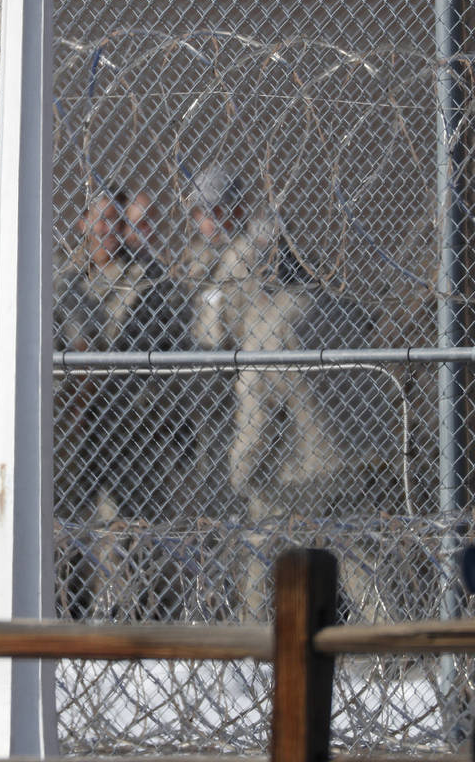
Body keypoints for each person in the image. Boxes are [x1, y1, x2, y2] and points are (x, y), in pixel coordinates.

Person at [178, 165, 392, 619]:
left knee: (263, 553)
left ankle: (254, 649)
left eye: (205, 212)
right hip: (350, 450)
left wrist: (243, 470)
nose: (201, 224)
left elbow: (242, 379)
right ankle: (395, 641)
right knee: (355, 550)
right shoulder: (327, 306)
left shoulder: (262, 323)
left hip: (293, 462)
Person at [53, 186, 199, 620]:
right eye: (100, 220)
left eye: (117, 222)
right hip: (75, 426)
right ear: (82, 223)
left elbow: (176, 348)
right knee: (72, 529)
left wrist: (170, 413)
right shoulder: (66, 279)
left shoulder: (148, 280)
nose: (108, 230)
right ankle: (69, 613)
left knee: (134, 533)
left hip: (131, 426)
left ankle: (145, 618)